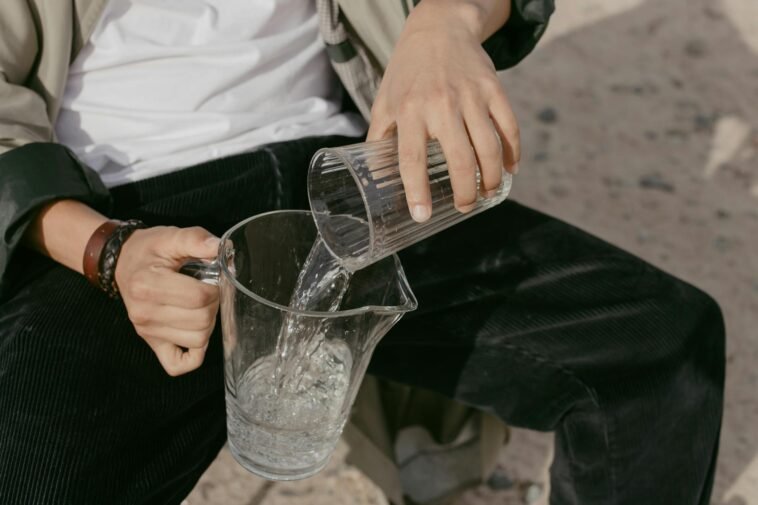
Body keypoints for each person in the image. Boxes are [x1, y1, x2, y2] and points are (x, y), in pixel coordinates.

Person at [0, 1, 725, 504]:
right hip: (123, 206)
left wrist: (448, 20)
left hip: (351, 175)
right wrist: (104, 249)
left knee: (659, 343)